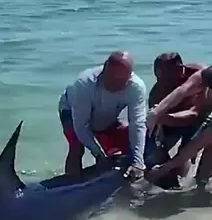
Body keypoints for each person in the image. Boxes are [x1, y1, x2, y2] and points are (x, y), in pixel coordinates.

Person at [58, 51, 147, 179]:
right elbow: (81, 126)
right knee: (77, 147)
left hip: (104, 114)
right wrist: (98, 154)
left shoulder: (136, 88)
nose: (114, 85)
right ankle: (69, 186)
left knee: (124, 142)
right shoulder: (84, 83)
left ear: (129, 77)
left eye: (121, 81)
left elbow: (137, 124)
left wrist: (138, 163)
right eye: (111, 78)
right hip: (71, 110)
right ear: (104, 69)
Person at [146, 66, 212, 188]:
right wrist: (156, 113)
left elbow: (196, 144)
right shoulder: (204, 74)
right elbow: (182, 90)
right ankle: (202, 187)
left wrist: (163, 169)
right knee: (202, 177)